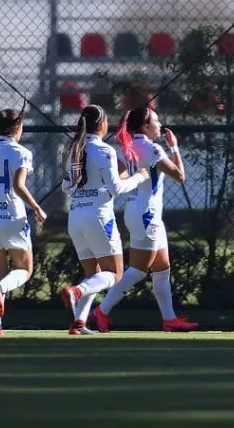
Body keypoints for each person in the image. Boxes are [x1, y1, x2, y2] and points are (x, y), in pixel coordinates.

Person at [91, 107, 198, 333]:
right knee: (138, 271)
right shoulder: (152, 148)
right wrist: (174, 147)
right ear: (145, 127)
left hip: (137, 210)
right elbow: (180, 176)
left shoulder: (128, 147)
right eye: (156, 121)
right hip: (146, 214)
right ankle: (102, 311)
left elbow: (120, 175)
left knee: (162, 268)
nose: (160, 125)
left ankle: (169, 319)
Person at [60, 104, 148, 335]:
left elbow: (66, 186)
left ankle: (78, 322)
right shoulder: (105, 150)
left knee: (94, 273)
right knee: (114, 274)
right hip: (98, 217)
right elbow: (116, 188)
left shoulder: (73, 150)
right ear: (101, 124)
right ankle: (76, 292)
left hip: (76, 216)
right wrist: (139, 176)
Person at [0, 106, 47, 336]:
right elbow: (18, 185)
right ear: (18, 127)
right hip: (12, 217)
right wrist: (37, 207)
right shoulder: (22, 153)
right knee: (24, 269)